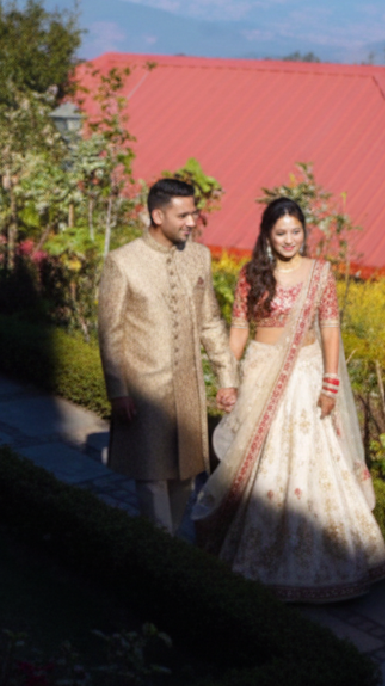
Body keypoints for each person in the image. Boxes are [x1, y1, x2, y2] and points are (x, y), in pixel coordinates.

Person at [192, 197, 385, 602]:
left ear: (305, 231)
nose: (289, 239)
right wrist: (227, 378)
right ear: (267, 234)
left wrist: (330, 382)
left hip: (306, 375)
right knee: (260, 464)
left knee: (312, 461)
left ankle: (326, 565)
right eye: (280, 232)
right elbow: (239, 333)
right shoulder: (251, 275)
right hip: (262, 372)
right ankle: (260, 557)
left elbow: (331, 329)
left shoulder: (320, 274)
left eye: (296, 231)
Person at [97, 178, 238, 535]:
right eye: (184, 215)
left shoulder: (199, 256)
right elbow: (110, 332)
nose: (192, 222)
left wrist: (226, 377)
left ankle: (168, 549)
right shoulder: (122, 262)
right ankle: (160, 550)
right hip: (144, 391)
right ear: (158, 215)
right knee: (151, 475)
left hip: (188, 387)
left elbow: (210, 322)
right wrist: (118, 390)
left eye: (194, 214)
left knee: (186, 473)